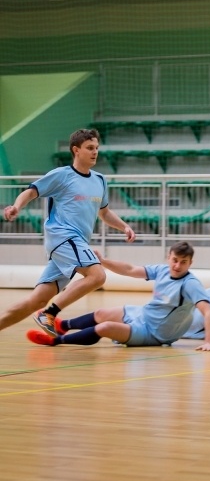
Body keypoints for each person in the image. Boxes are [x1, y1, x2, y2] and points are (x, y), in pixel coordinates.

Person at [0, 128, 136, 337]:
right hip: (63, 237)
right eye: (89, 148)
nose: (95, 152)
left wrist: (124, 226)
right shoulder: (62, 175)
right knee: (97, 275)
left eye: (96, 148)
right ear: (76, 150)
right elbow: (31, 191)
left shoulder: (100, 180)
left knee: (36, 300)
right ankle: (49, 313)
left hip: (75, 245)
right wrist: (17, 206)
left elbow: (104, 213)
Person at [26, 241, 210, 351]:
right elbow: (130, 270)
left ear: (190, 263)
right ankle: (62, 326)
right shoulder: (162, 270)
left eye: (183, 262)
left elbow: (208, 312)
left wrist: (209, 342)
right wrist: (102, 261)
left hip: (154, 333)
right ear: (168, 257)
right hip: (142, 314)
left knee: (105, 327)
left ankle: (55, 341)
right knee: (101, 313)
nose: (177, 266)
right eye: (175, 260)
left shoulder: (190, 284)